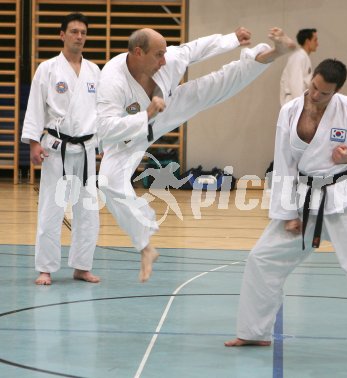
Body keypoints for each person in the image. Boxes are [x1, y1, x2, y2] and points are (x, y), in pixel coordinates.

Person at [225, 59, 347, 364]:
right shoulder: (290, 111)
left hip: (341, 200)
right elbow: (284, 162)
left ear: (336, 91)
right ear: (311, 79)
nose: (315, 95)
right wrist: (289, 213)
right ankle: (253, 331)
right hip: (303, 201)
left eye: (324, 93)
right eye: (313, 87)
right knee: (262, 260)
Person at [96, 27, 296, 283]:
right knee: (108, 183)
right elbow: (105, 128)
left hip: (165, 108)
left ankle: (272, 53)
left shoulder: (168, 60)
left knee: (218, 84)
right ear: (138, 53)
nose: (164, 60)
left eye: (164, 53)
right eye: (158, 55)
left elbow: (194, 49)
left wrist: (231, 39)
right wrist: (145, 115)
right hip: (127, 135)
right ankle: (146, 247)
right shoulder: (112, 80)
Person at [21, 13, 100, 285]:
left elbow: (100, 111)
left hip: (87, 148)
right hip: (57, 147)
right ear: (62, 35)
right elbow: (35, 106)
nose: (79, 36)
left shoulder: (94, 71)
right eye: (74, 31)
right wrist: (33, 141)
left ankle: (82, 266)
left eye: (83, 32)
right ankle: (45, 268)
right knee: (51, 209)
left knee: (87, 211)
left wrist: (100, 142)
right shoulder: (48, 68)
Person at [279, 28, 318, 106]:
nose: (317, 44)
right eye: (315, 40)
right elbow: (295, 83)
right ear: (307, 42)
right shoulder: (298, 57)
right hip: (293, 101)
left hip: (298, 100)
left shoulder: (303, 57)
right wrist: (301, 106)